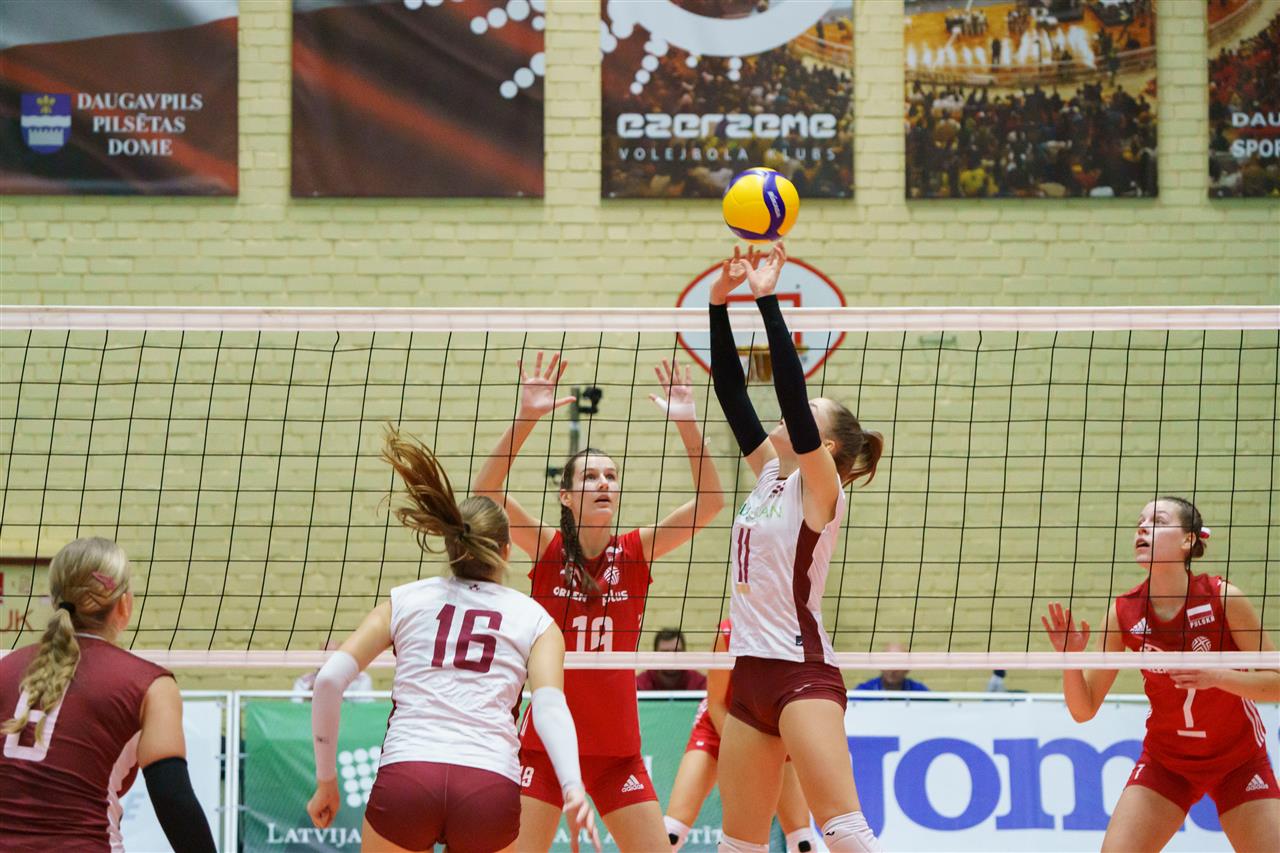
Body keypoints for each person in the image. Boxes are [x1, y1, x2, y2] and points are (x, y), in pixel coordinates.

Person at [473, 353, 725, 851]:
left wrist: (687, 424)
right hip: (544, 751)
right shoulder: (547, 549)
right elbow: (485, 491)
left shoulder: (635, 551)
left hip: (617, 754)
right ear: (565, 496)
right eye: (590, 477)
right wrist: (527, 417)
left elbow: (712, 503)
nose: (604, 483)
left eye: (611, 476)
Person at [305, 427, 598, 853]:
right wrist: (572, 786)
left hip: (408, 778)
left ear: (450, 546)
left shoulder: (405, 601)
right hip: (487, 787)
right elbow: (550, 707)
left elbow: (329, 680)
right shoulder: (537, 620)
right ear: (506, 550)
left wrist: (326, 781)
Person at [708, 243, 884, 853]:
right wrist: (718, 304)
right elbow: (732, 394)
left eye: (808, 415)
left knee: (843, 832)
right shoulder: (768, 473)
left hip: (801, 672)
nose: (789, 415)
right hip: (750, 672)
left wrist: (767, 298)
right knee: (739, 845)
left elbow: (788, 397)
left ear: (826, 447)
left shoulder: (821, 489)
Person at [1042, 496, 1279, 852]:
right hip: (1167, 764)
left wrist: (1218, 677)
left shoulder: (1223, 598)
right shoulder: (1123, 612)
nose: (1143, 527)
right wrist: (1069, 659)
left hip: (1239, 761)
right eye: (1140, 521)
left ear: (1188, 540)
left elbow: (1277, 684)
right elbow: (1083, 709)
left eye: (1158, 521)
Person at [0, 537, 216, 853]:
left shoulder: (4, 669)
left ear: (54, 600)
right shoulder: (150, 686)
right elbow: (173, 799)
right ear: (124, 604)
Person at [665, 618, 815, 853]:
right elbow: (716, 703)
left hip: (771, 729)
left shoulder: (794, 631)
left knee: (803, 842)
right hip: (719, 724)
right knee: (671, 833)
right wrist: (742, 756)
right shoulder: (729, 633)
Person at [292, 640, 373, 702]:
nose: (330, 661)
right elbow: (296, 711)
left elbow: (364, 711)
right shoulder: (303, 682)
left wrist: (334, 694)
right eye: (325, 656)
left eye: (334, 656)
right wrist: (309, 697)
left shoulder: (361, 679)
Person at [636, 628, 708, 691]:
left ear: (684, 653)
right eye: (664, 652)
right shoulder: (639, 685)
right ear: (655, 655)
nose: (671, 657)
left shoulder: (700, 683)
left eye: (676, 651)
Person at [853, 642, 929, 692]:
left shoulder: (920, 692)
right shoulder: (863, 692)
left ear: (908, 668)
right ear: (880, 665)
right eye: (888, 662)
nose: (892, 669)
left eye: (898, 663)